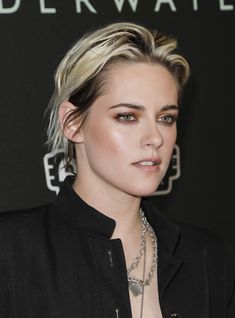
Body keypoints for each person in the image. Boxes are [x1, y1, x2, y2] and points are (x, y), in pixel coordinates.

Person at [0, 22, 234, 318]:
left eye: (166, 118)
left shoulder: (207, 258)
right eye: (127, 116)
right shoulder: (12, 252)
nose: (155, 138)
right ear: (72, 122)